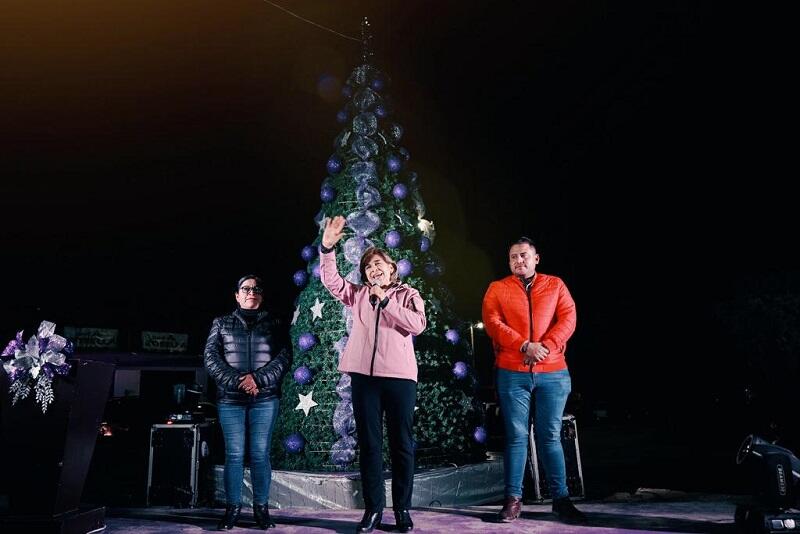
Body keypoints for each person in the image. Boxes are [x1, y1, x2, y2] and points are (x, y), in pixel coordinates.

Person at [320, 215, 426, 534]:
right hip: (364, 379)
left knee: (402, 445)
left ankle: (403, 510)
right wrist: (327, 247)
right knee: (370, 445)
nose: (374, 270)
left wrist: (387, 301)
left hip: (399, 379)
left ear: (391, 269)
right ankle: (373, 510)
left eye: (379, 264)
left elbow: (417, 324)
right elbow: (331, 281)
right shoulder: (359, 295)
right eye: (368, 267)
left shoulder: (407, 294)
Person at [481, 237, 585, 524]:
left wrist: (546, 347)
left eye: (524, 255)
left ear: (536, 258)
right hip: (512, 373)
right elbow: (492, 322)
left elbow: (568, 318)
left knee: (549, 435)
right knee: (516, 438)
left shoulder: (555, 285)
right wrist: (524, 345)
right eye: (513, 256)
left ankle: (561, 500)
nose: (518, 261)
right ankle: (513, 500)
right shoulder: (497, 289)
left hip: (553, 373)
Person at [204, 275, 292, 530]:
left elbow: (284, 356)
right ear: (237, 295)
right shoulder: (220, 323)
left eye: (256, 289)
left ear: (261, 295)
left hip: (264, 399)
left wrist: (258, 380)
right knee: (234, 455)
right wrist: (237, 381)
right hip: (230, 401)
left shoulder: (275, 323)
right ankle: (232, 510)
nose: (251, 292)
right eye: (246, 288)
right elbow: (211, 358)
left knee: (260, 454)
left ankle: (261, 510)